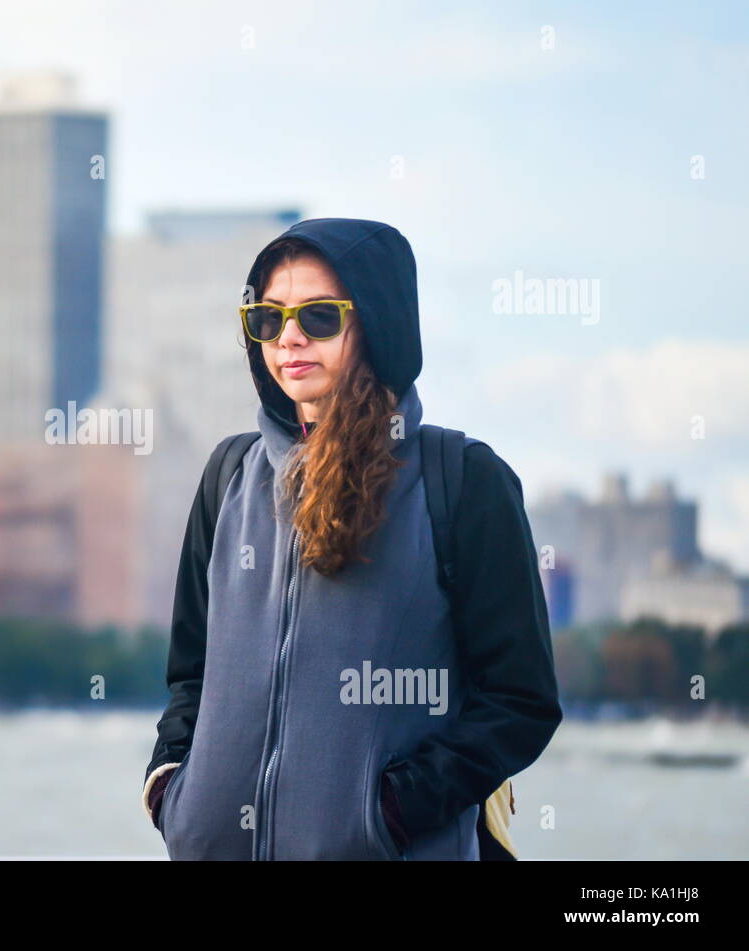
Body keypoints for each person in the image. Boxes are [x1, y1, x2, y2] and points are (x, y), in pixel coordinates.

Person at [141, 218, 562, 860]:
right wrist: (171, 785)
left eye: (319, 317)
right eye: (267, 318)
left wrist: (391, 811)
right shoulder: (228, 475)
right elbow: (191, 674)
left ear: (377, 322)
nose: (288, 338)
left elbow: (520, 700)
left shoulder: (464, 480)